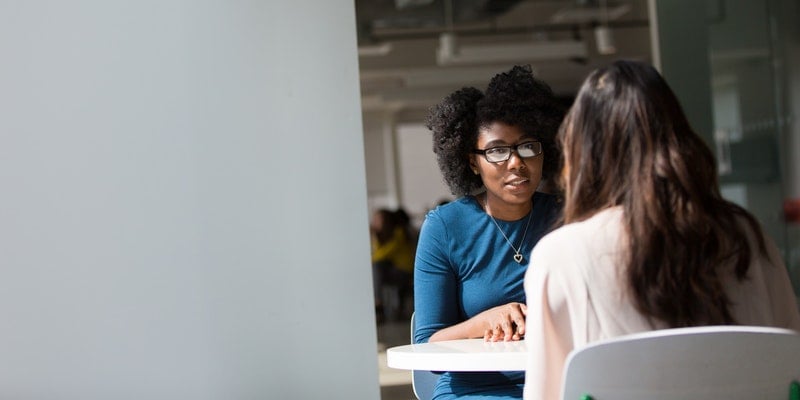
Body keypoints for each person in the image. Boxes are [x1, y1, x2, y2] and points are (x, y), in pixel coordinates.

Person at [523, 60, 800, 400]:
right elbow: (791, 367)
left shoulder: (561, 255)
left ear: (584, 153)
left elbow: (544, 394)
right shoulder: (746, 235)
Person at [414, 65, 564, 399]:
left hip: (558, 384)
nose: (516, 162)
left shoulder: (565, 217)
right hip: (475, 390)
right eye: (497, 151)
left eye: (528, 146)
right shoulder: (445, 227)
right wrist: (485, 322)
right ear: (471, 162)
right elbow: (427, 347)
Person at [371, 208, 416, 323]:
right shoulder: (385, 236)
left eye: (377, 219)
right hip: (395, 270)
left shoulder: (398, 233)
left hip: (405, 272)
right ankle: (378, 303)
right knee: (377, 268)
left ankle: (378, 303)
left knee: (376, 266)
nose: (374, 222)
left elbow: (380, 255)